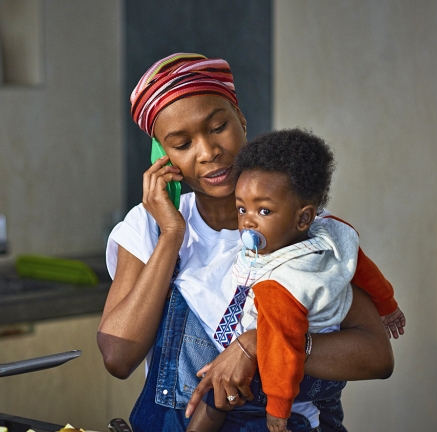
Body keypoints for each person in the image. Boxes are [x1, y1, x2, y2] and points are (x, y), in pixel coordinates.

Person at [98, 53, 398, 432]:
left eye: (218, 127)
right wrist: (172, 236)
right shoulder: (150, 228)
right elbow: (117, 356)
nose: (207, 152)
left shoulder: (301, 233)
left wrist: (261, 344)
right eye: (182, 143)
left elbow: (376, 356)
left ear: (241, 119)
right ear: (164, 156)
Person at [186, 129, 366, 432]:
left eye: (264, 210)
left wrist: (278, 411)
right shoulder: (314, 243)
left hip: (284, 407)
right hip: (257, 391)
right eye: (242, 208)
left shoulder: (289, 279)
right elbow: (362, 264)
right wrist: (388, 307)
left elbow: (282, 349)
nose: (248, 221)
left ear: (304, 218)